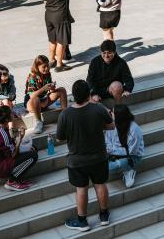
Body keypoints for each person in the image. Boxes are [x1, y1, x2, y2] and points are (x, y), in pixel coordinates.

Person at [56, 80, 115, 232]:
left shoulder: (65, 114)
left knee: (81, 189)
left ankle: (82, 221)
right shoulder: (98, 108)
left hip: (77, 160)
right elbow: (111, 126)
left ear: (73, 96)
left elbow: (60, 138)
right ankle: (103, 216)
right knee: (100, 184)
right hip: (99, 157)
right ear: (89, 94)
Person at [0, 105, 38, 191]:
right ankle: (12, 181)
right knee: (33, 156)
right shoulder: (1, 134)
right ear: (7, 119)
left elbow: (10, 146)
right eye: (11, 114)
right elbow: (13, 155)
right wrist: (20, 138)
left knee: (33, 148)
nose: (13, 114)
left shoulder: (0, 128)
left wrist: (19, 140)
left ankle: (17, 179)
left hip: (3, 161)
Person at [42, 0, 82, 71]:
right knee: (61, 41)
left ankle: (52, 61)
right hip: (61, 16)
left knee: (52, 40)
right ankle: (59, 65)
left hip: (48, 15)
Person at [24, 55, 68, 134]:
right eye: (44, 67)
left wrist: (52, 88)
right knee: (35, 98)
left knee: (62, 90)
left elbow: (50, 91)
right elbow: (32, 96)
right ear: (37, 67)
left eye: (48, 66)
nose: (47, 68)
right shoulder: (32, 77)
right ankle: (39, 122)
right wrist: (43, 88)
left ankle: (66, 116)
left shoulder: (47, 74)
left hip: (44, 100)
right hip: (32, 104)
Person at [105, 104, 144, 188]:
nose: (111, 113)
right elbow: (107, 140)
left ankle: (129, 170)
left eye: (113, 112)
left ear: (119, 116)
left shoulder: (134, 130)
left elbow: (131, 151)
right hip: (114, 153)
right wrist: (109, 149)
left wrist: (111, 150)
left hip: (132, 157)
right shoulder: (112, 125)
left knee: (107, 168)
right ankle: (125, 169)